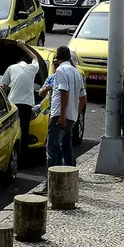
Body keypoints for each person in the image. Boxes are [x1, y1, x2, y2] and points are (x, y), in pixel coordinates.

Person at [36, 47, 86, 194]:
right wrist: (74, 112)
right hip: (71, 116)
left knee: (52, 149)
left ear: (58, 57)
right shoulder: (76, 72)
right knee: (66, 146)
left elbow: (63, 92)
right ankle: (69, 181)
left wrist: (62, 115)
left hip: (60, 115)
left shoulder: (61, 72)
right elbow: (83, 97)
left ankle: (51, 184)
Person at [1, 40, 40, 146]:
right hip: (26, 105)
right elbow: (35, 58)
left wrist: (4, 102)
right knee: (24, 131)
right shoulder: (32, 68)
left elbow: (4, 87)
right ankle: (23, 157)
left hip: (13, 103)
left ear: (17, 62)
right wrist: (23, 47)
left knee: (12, 130)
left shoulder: (11, 68)